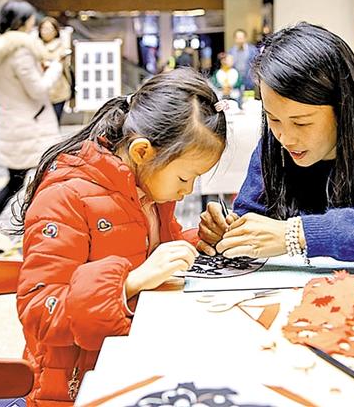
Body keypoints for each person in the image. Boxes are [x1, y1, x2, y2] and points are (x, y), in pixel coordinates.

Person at [15, 68, 227, 404]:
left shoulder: (149, 192)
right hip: (73, 389)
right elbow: (39, 312)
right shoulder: (66, 196)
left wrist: (198, 241)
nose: (187, 191)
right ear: (142, 152)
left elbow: (151, 254)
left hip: (133, 365)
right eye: (185, 177)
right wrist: (128, 283)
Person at [197, 22, 354, 262]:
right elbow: (252, 218)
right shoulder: (273, 145)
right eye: (273, 119)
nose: (285, 138)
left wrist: (298, 233)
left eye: (301, 123)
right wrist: (229, 232)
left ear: (344, 106)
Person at [0, 0, 62, 256]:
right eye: (31, 19)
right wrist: (55, 67)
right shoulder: (19, 52)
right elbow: (38, 89)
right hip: (32, 126)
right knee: (43, 183)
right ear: (22, 22)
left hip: (12, 126)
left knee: (15, 183)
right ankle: (36, 240)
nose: (34, 24)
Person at [38, 16, 72, 123]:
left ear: (56, 31)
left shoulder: (62, 47)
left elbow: (65, 66)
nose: (46, 31)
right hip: (39, 91)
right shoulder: (34, 46)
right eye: (43, 28)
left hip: (59, 90)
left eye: (49, 29)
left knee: (55, 122)